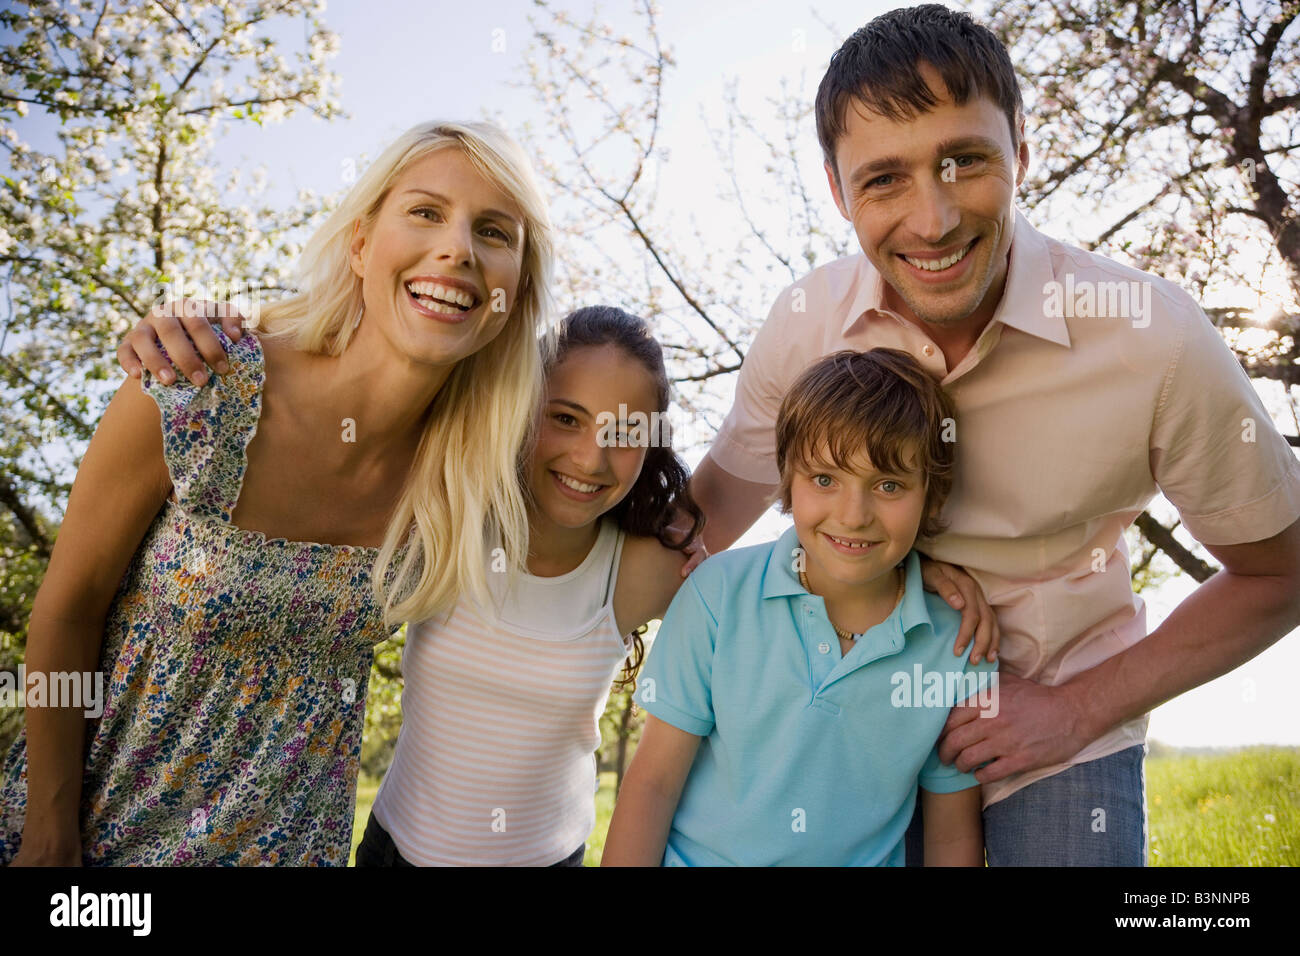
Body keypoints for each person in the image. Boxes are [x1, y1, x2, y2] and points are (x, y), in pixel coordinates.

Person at [686, 4, 1300, 865]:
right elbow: (701, 528)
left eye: (964, 160)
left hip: (1050, 716)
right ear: (837, 190)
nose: (932, 220)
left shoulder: (1153, 339)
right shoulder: (804, 325)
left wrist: (1079, 710)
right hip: (846, 709)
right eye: (884, 179)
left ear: (1021, 146)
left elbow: (1280, 572)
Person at [0, 119, 556, 866]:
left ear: (514, 294)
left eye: (494, 231)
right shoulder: (196, 383)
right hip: (93, 841)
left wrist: (677, 524)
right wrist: (49, 833)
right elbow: (68, 609)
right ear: (361, 246)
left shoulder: (475, 476)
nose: (458, 247)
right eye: (426, 211)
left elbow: (611, 496)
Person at [603, 349, 997, 866]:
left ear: (932, 493)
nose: (853, 516)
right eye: (825, 479)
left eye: (889, 485)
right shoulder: (717, 594)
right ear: (789, 478)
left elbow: (949, 837)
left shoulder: (960, 643)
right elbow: (651, 786)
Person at [355, 305, 703, 867]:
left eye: (623, 433)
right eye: (566, 418)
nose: (591, 458)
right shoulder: (448, 515)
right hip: (393, 853)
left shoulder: (650, 568)